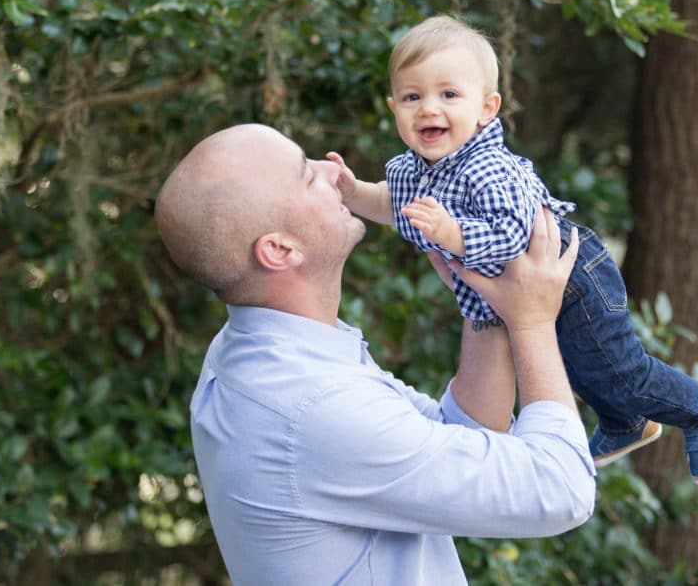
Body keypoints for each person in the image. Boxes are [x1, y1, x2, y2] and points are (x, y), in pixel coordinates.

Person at [154, 123, 596, 585]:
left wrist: (484, 294)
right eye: (307, 175)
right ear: (280, 250)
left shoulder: (265, 352)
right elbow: (561, 488)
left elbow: (457, 432)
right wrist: (532, 323)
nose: (331, 168)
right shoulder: (313, 406)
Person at [327, 15, 698, 481]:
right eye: (412, 97)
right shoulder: (410, 169)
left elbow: (509, 234)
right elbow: (392, 202)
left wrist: (451, 233)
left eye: (449, 95)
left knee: (619, 371)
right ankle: (626, 422)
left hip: (572, 274)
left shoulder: (486, 168)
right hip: (529, 288)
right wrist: (353, 191)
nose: (428, 109)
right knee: (581, 367)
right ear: (394, 107)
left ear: (486, 108)